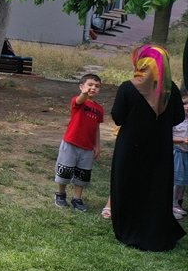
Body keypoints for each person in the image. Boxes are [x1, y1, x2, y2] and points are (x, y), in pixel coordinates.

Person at [109, 44, 185, 251]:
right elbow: (178, 117)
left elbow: (118, 117)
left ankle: (128, 227)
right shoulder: (170, 89)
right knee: (155, 186)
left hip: (130, 146)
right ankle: (153, 229)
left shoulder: (128, 87)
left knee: (128, 183)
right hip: (160, 146)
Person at [53, 73, 104, 211]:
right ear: (81, 86)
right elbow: (80, 100)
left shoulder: (99, 109)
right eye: (90, 85)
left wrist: (97, 146)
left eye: (97, 86)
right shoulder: (79, 101)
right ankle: (60, 194)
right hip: (71, 143)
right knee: (65, 170)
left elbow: (96, 128)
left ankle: (77, 198)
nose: (93, 88)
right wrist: (84, 94)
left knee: (83, 173)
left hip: (87, 147)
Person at [173, 95, 188, 219]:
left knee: (182, 181)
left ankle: (176, 204)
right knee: (175, 180)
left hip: (185, 153)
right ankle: (171, 205)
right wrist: (182, 140)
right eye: (184, 103)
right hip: (176, 152)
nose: (187, 107)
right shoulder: (176, 120)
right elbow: (167, 137)